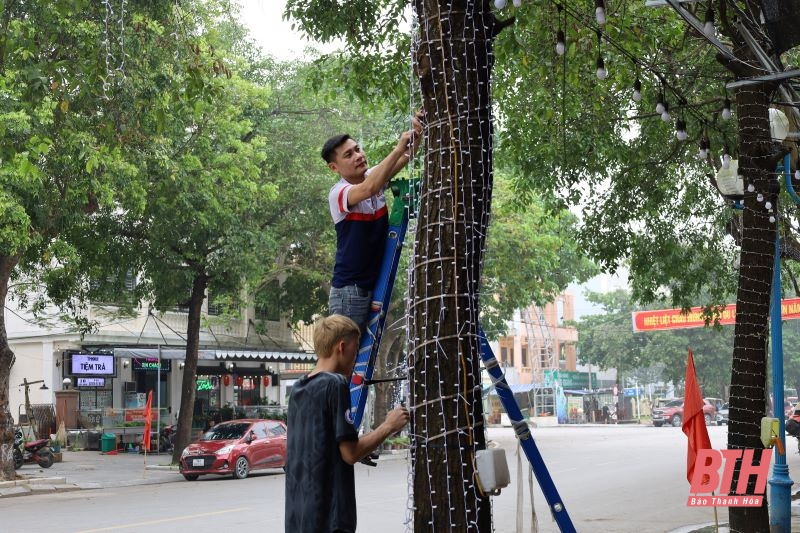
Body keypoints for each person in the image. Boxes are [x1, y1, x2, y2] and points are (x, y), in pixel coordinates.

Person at [285, 315, 410, 533]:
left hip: (298, 519)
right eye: (355, 350)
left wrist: (364, 445)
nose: (355, 359)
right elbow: (350, 453)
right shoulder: (335, 384)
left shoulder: (297, 389)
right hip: (329, 521)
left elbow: (325, 448)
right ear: (341, 347)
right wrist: (389, 425)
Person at [323, 113, 423, 330]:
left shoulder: (372, 178)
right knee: (341, 358)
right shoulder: (339, 193)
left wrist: (418, 131)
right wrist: (397, 148)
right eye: (348, 155)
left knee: (351, 356)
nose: (358, 156)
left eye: (358, 149)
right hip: (349, 292)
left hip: (370, 286)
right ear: (334, 167)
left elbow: (407, 154)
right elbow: (369, 189)